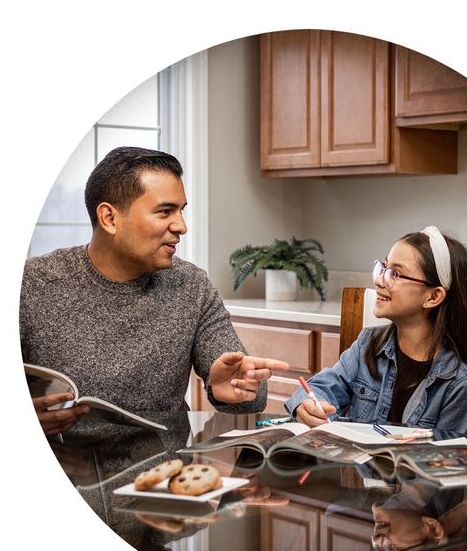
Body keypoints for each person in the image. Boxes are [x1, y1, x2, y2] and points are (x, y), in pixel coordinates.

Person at [20, 146, 289, 434]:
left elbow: (250, 394)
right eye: (165, 212)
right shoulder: (32, 285)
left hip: (167, 473)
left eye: (181, 211)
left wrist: (238, 387)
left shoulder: (191, 286)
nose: (181, 226)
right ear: (109, 218)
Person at [286, 227, 467, 439]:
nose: (379, 280)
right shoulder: (368, 344)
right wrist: (306, 404)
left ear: (433, 297)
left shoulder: (460, 384)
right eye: (383, 267)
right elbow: (320, 387)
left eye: (396, 274)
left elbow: (448, 463)